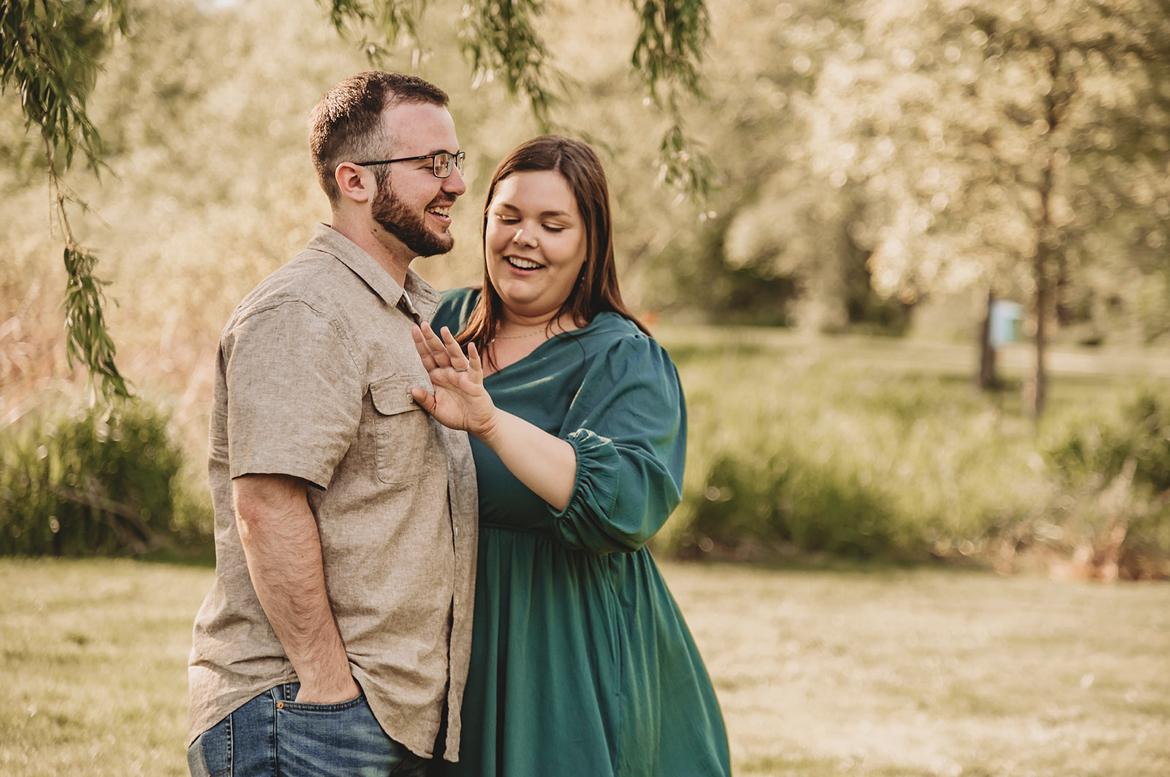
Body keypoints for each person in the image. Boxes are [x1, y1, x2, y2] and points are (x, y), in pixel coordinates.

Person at [186, 71, 479, 777]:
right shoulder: (304, 310)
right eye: (432, 164)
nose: (457, 184)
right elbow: (265, 502)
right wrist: (327, 687)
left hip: (381, 716)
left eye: (455, 160)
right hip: (305, 714)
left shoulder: (408, 315)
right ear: (354, 180)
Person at [412, 136, 732, 777]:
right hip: (434, 645)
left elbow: (627, 505)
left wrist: (489, 422)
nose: (524, 238)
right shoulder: (439, 320)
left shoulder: (622, 356)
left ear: (591, 243)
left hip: (565, 647)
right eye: (508, 217)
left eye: (553, 225)